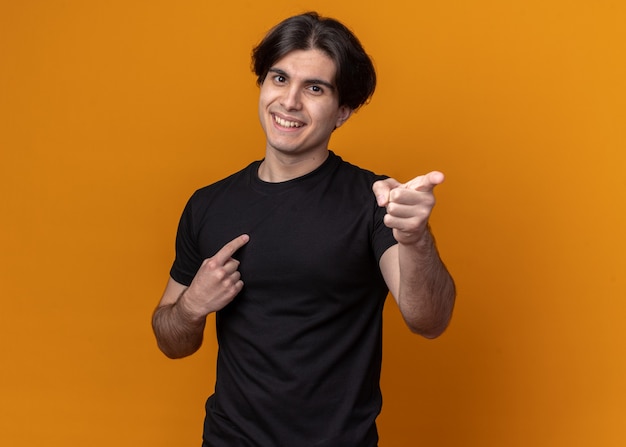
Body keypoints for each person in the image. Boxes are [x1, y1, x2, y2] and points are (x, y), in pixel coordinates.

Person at [152, 11, 456, 447]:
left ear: (343, 111)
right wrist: (191, 308)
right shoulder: (208, 204)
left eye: (315, 88)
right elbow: (171, 340)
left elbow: (429, 321)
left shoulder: (374, 202)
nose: (289, 102)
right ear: (262, 85)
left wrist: (414, 238)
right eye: (279, 79)